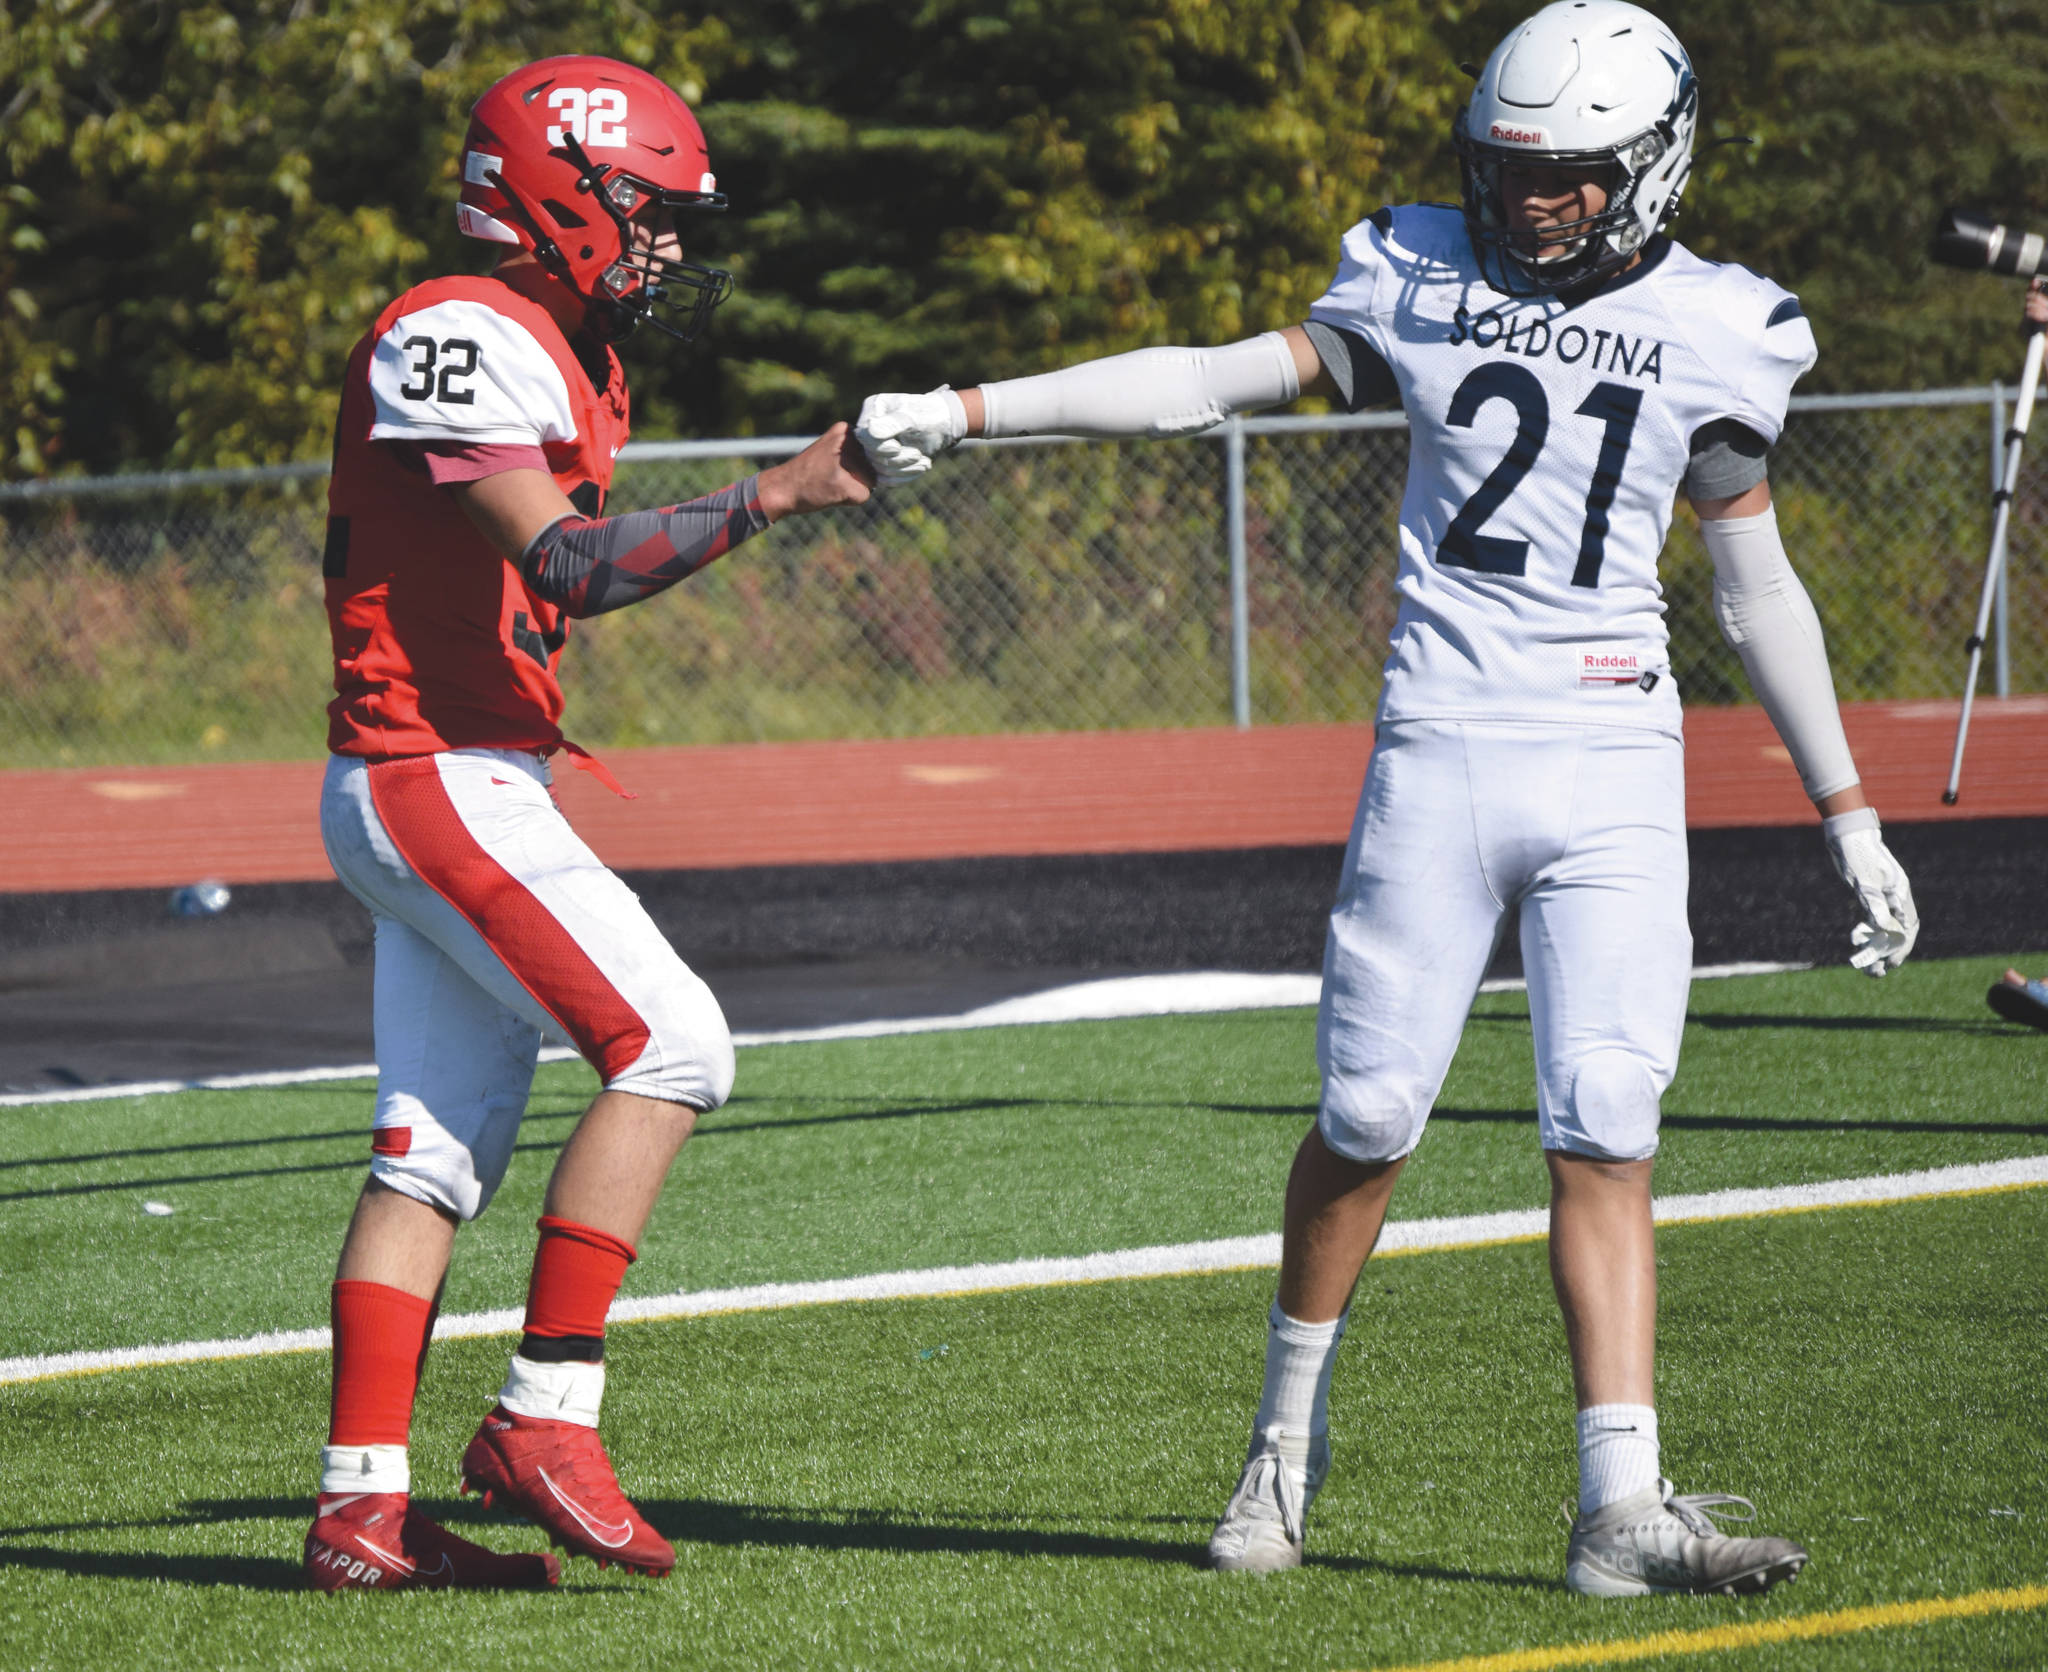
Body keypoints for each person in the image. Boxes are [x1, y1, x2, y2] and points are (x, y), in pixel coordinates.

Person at [856, 1, 1917, 1596]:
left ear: (1653, 167)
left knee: (1608, 1123)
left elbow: (1757, 586)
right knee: (1364, 1118)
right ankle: (1285, 1445)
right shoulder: (1413, 273)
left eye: (1566, 177)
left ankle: (1619, 1509)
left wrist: (1848, 809)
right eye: (1508, 169)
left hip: (1618, 754)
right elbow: (1206, 381)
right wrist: (968, 407)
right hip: (1444, 743)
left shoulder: (1723, 325)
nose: (1527, 201)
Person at [308, 56, 873, 1592]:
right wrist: (773, 497)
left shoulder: (569, 342)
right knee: (678, 1045)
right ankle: (545, 1414)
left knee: (431, 1153)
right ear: (557, 192)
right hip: (434, 770)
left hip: (457, 771)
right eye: (652, 213)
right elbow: (562, 568)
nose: (673, 248)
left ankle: (359, 1508)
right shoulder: (458, 327)